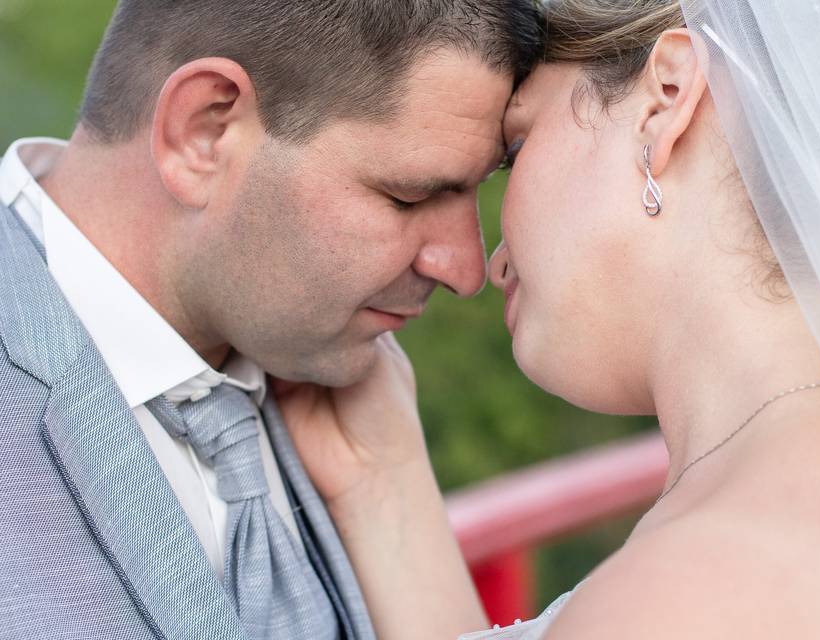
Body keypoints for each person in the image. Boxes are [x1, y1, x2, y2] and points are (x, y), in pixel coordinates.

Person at [287, 0, 820, 638]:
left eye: (517, 150)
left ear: (667, 98)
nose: (488, 264)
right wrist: (383, 479)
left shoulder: (694, 592)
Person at [0, 1, 541, 639]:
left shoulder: (327, 381)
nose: (465, 270)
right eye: (409, 196)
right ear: (204, 129)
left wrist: (388, 490)